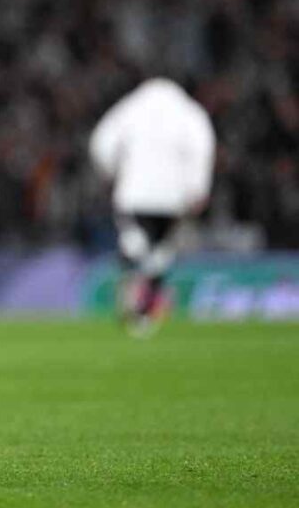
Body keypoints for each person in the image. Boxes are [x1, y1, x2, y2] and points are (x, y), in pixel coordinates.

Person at [89, 77, 216, 336]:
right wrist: (198, 187)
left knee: (136, 238)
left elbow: (102, 142)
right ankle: (144, 313)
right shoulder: (189, 112)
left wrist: (109, 171)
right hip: (173, 196)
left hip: (135, 191)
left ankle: (132, 259)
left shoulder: (131, 107)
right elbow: (202, 148)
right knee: (161, 251)